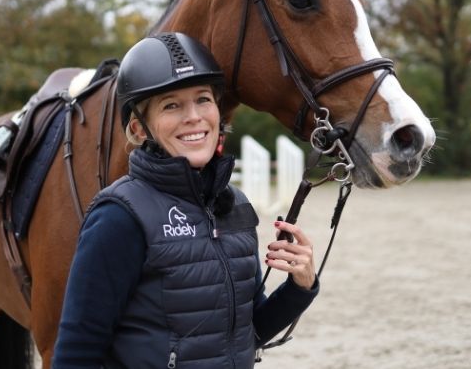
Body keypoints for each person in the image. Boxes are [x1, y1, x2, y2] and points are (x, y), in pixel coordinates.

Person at [52, 32, 319, 369]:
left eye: (203, 99)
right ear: (138, 129)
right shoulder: (118, 216)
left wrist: (300, 286)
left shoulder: (234, 204)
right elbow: (78, 350)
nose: (194, 116)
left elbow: (246, 333)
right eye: (171, 105)